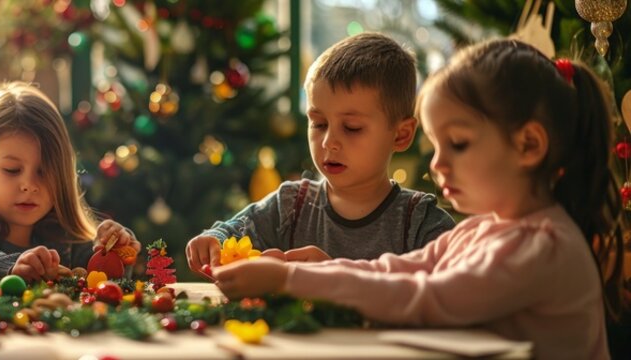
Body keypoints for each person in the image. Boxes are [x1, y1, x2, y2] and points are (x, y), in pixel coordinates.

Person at [213, 39, 623, 359]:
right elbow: (395, 271)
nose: (438, 164)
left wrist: (290, 280)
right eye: (437, 145)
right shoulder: (481, 230)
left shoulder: (543, 247)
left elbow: (427, 299)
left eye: (458, 144)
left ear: (528, 145)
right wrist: (325, 270)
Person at [187, 33, 455, 274]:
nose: (329, 142)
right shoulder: (290, 206)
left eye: (351, 128)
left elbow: (455, 294)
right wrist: (213, 241)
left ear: (401, 135)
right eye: (319, 123)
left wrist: (334, 276)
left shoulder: (420, 223)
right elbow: (230, 233)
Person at [0, 82, 140, 282]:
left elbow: (104, 282)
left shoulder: (65, 236)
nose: (29, 185)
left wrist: (115, 251)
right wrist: (13, 267)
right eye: (12, 170)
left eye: (43, 172)